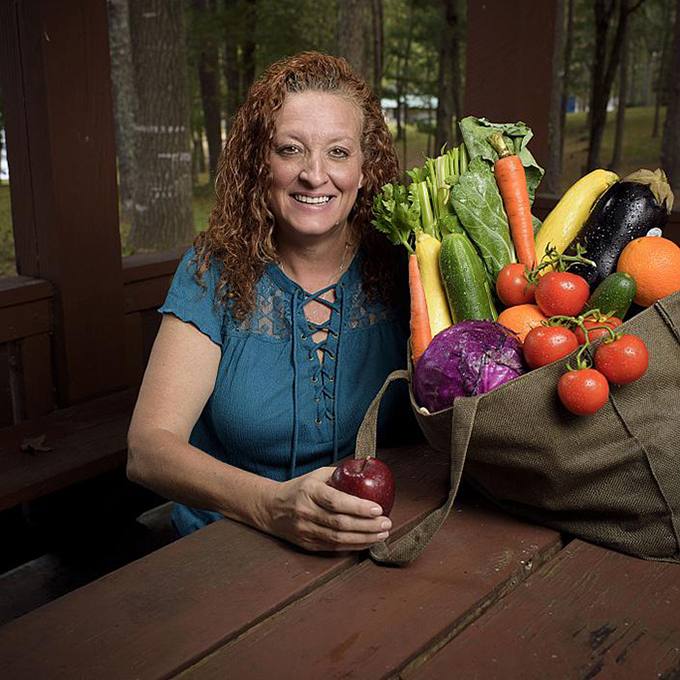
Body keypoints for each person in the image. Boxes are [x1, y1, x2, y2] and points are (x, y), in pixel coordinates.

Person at [127, 51, 413, 553]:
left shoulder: (403, 268)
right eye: (291, 150)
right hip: (226, 542)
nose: (315, 174)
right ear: (261, 163)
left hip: (369, 536)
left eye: (339, 153)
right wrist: (272, 505)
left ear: (365, 169)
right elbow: (149, 450)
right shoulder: (212, 271)